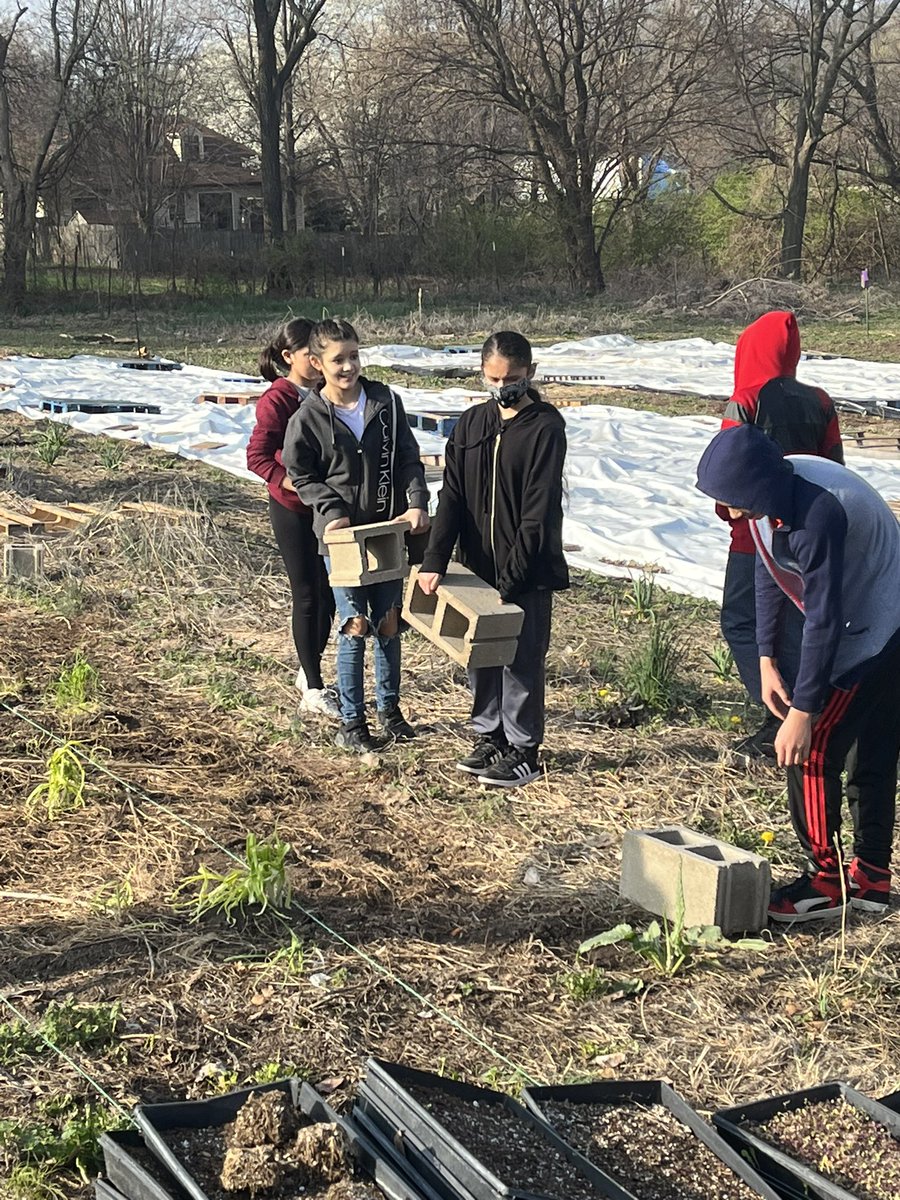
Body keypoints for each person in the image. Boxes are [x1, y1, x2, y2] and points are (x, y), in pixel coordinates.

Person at [697, 423, 900, 923]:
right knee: (873, 748)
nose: (728, 512)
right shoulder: (772, 495)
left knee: (810, 753)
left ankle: (826, 883)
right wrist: (766, 657)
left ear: (756, 487)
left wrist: (805, 711)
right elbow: (771, 571)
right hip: (876, 616)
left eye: (732, 501)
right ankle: (872, 880)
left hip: (876, 629)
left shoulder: (816, 514)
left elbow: (825, 619)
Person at [417, 331, 569, 788]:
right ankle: (490, 735)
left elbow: (537, 511)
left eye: (514, 379)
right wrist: (435, 560)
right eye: (494, 378)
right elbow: (454, 498)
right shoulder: (471, 425)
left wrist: (513, 577)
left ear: (531, 374)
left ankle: (524, 748)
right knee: (481, 654)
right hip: (477, 565)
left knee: (521, 658)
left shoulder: (544, 427)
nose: (504, 387)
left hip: (527, 569)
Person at [282, 318, 429, 754]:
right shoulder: (308, 416)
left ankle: (390, 710)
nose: (348, 367)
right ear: (316, 363)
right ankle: (352, 721)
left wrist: (416, 500)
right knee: (354, 624)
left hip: (385, 531)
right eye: (337, 360)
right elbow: (300, 472)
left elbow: (408, 457)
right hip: (342, 538)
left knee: (388, 621)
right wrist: (331, 511)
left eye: (354, 356)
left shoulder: (386, 402)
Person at [717, 311, 843, 759]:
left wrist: (730, 513)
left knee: (741, 620)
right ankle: (804, 710)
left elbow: (729, 470)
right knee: (799, 620)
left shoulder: (746, 399)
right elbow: (834, 467)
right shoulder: (821, 400)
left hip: (755, 533)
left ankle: (781, 715)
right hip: (810, 524)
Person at [246, 318, 338, 717]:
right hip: (292, 510)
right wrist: (289, 484)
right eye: (309, 356)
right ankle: (314, 688)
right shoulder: (279, 399)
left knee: (331, 594)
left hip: (327, 510)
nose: (317, 362)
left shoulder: (326, 393)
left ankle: (309, 666)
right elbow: (257, 455)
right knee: (306, 594)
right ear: (289, 357)